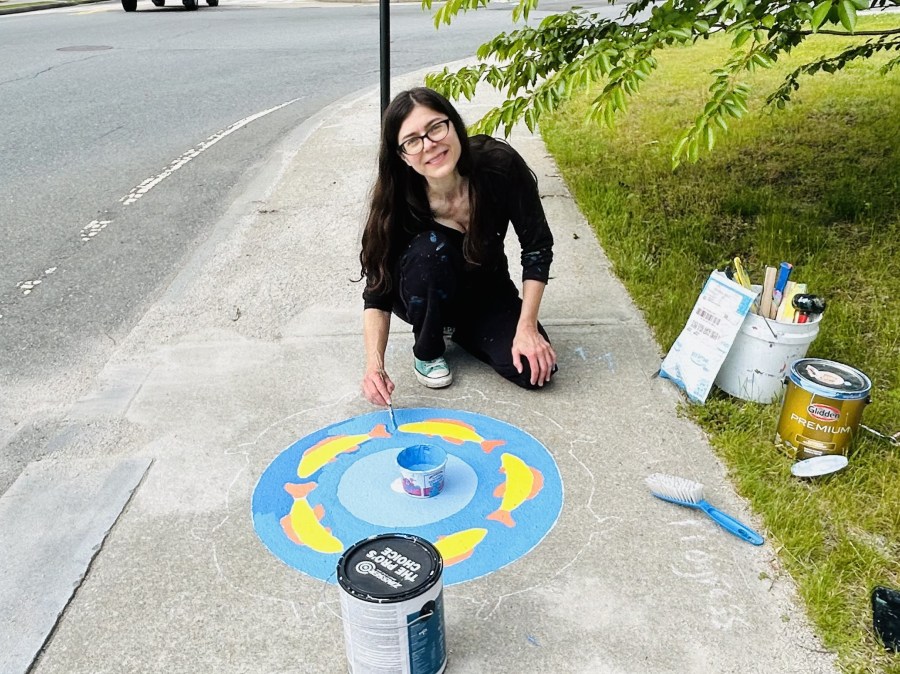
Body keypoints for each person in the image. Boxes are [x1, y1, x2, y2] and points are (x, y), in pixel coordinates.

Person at [358, 87, 557, 408]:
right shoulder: (396, 201)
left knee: (534, 370)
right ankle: (428, 350)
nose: (430, 144)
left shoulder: (499, 167)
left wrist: (527, 327)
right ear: (402, 156)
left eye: (436, 127)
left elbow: (537, 247)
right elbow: (377, 291)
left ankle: (461, 327)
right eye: (412, 140)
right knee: (430, 251)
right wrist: (374, 367)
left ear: (454, 124)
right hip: (421, 289)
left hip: (485, 288)